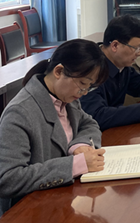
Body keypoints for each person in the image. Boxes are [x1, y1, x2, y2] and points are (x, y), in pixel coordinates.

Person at [0, 40, 108, 215]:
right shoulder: (20, 112)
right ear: (58, 71)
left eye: (89, 87)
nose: (84, 93)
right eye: (82, 84)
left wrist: (79, 145)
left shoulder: (66, 97)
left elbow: (89, 123)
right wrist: (73, 165)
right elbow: (8, 179)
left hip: (64, 201)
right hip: (32, 211)